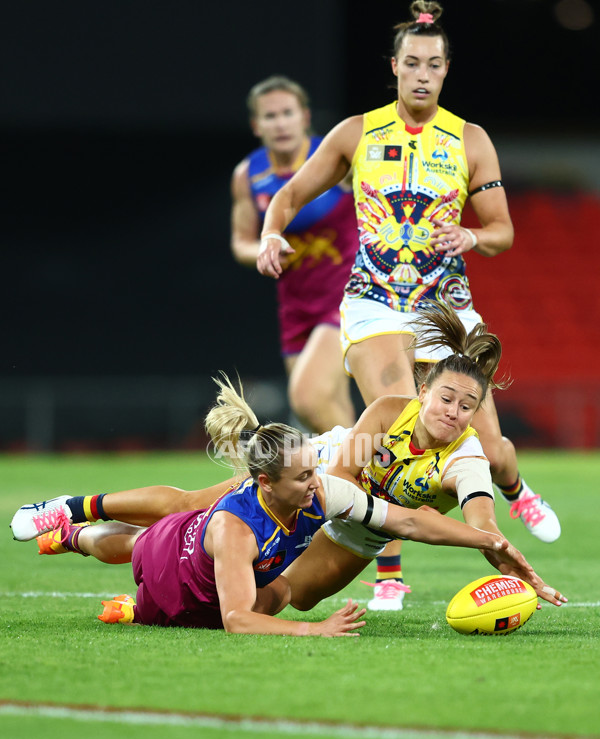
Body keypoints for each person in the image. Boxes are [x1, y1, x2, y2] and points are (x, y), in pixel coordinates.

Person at [256, 1, 561, 611]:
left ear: (446, 72)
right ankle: (389, 570)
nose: (423, 74)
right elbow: (289, 192)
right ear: (394, 66)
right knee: (393, 418)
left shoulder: (469, 139)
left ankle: (515, 486)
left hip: (445, 303)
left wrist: (473, 236)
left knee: (485, 443)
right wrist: (271, 231)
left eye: (435, 65)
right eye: (412, 63)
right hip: (374, 301)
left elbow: (501, 231)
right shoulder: (355, 132)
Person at [11, 307, 566, 623]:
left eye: (467, 405)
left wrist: (496, 546)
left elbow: (478, 516)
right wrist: (311, 517)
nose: (453, 412)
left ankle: (150, 607)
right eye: (446, 397)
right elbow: (342, 481)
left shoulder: (467, 456)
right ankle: (65, 510)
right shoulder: (389, 410)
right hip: (317, 477)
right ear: (424, 388)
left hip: (357, 524)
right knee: (188, 511)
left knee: (284, 597)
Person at [231, 75, 357, 432]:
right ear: (257, 125)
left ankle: (371, 470)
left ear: (304, 116)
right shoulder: (248, 175)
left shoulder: (334, 158)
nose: (280, 122)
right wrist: (263, 248)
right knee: (330, 412)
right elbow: (240, 242)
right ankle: (354, 482)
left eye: (288, 113)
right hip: (296, 306)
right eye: (270, 116)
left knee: (308, 400)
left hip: (345, 299)